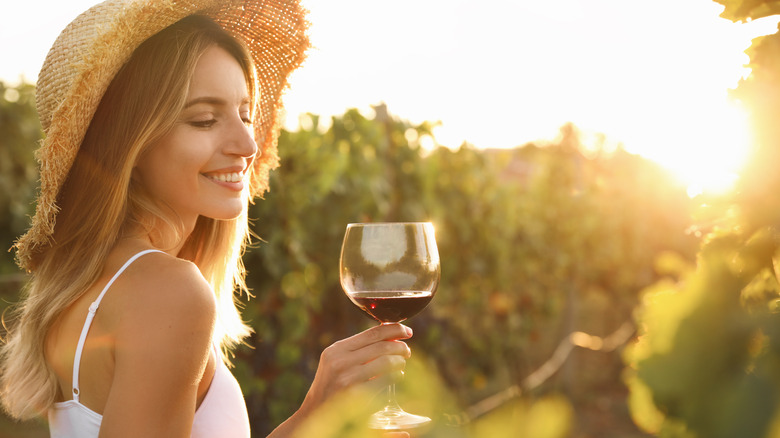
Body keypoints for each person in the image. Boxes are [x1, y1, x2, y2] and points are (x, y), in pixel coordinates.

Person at [0, 1, 413, 436]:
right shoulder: (169, 292)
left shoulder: (89, 284)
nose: (247, 143)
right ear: (131, 145)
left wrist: (317, 412)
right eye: (204, 120)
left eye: (245, 114)